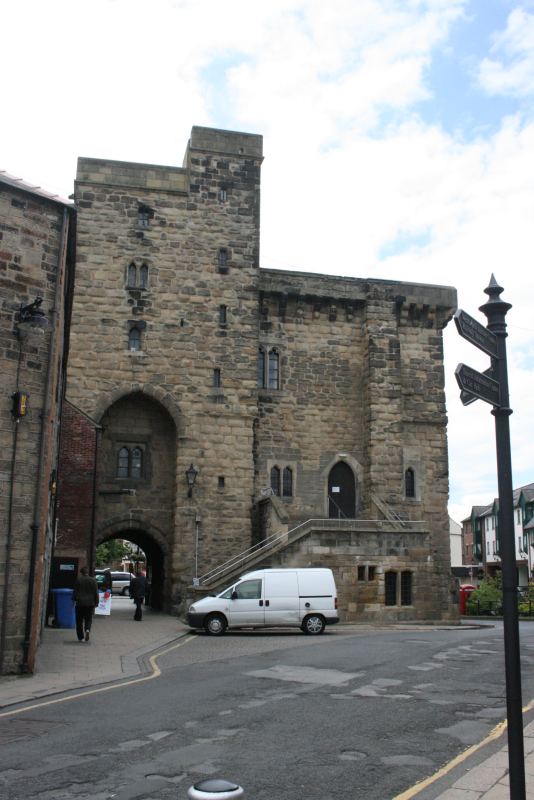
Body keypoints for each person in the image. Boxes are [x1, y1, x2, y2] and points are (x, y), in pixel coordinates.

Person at [73, 566, 99, 642]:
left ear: (81, 573)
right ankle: (87, 630)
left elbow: (75, 591)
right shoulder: (93, 580)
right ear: (87, 572)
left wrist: (74, 599)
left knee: (79, 621)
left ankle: (81, 637)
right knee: (88, 619)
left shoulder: (79, 580)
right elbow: (96, 593)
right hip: (90, 603)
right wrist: (96, 602)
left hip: (80, 603)